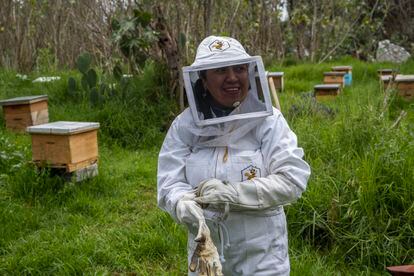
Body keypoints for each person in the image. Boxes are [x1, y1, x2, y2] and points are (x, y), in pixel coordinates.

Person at [157, 36, 311, 275]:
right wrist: (181, 202)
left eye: (239, 69)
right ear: (204, 80)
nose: (232, 77)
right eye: (220, 70)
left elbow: (292, 179)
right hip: (205, 257)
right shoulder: (184, 127)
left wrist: (234, 193)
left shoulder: (269, 121)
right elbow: (168, 183)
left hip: (263, 260)